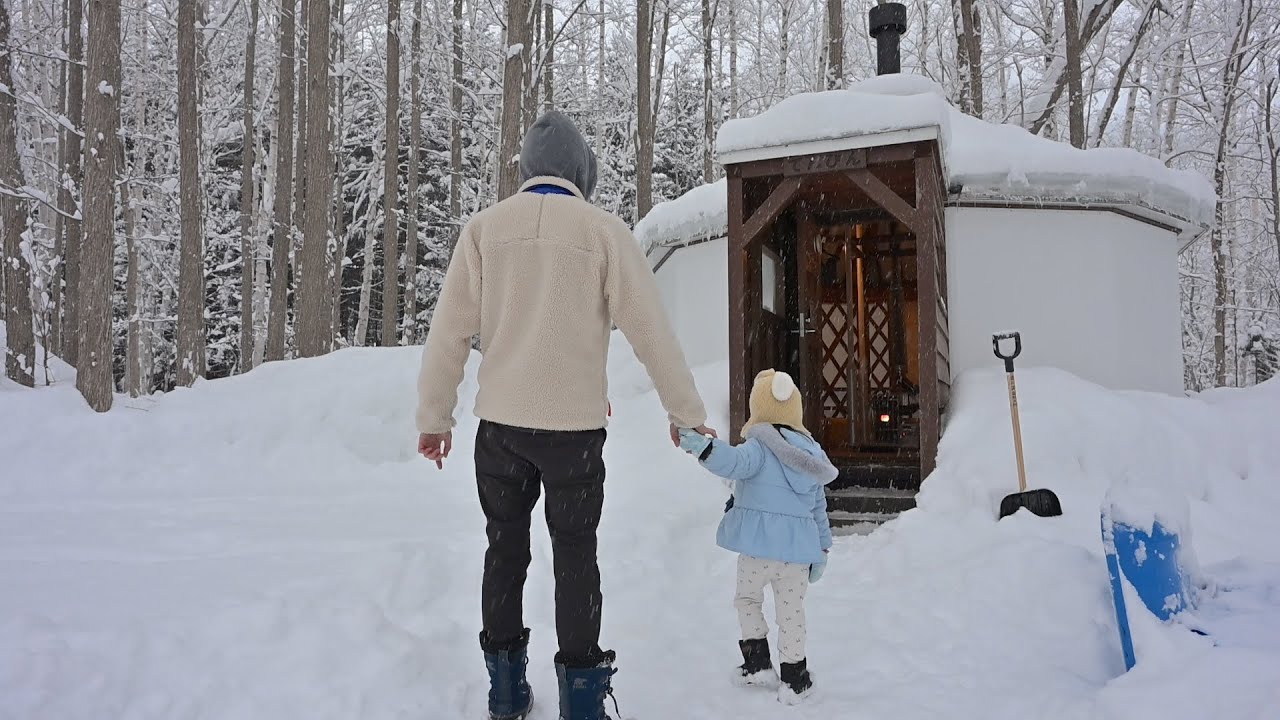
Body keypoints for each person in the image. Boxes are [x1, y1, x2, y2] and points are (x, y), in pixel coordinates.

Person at [415, 110, 716, 720]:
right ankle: (581, 699)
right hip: (574, 435)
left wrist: (434, 417)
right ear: (583, 173)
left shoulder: (483, 230)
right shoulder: (604, 234)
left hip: (500, 431)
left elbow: (448, 333)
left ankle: (505, 690)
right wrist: (684, 412)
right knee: (576, 554)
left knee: (505, 549)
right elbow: (651, 332)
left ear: (525, 169)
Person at [676, 369, 837, 705]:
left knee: (747, 600)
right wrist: (822, 549)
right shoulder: (811, 455)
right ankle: (795, 677)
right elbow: (818, 507)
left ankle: (758, 663)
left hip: (757, 551)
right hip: (796, 556)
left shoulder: (759, 447)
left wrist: (702, 447)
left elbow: (731, 462)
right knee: (791, 612)